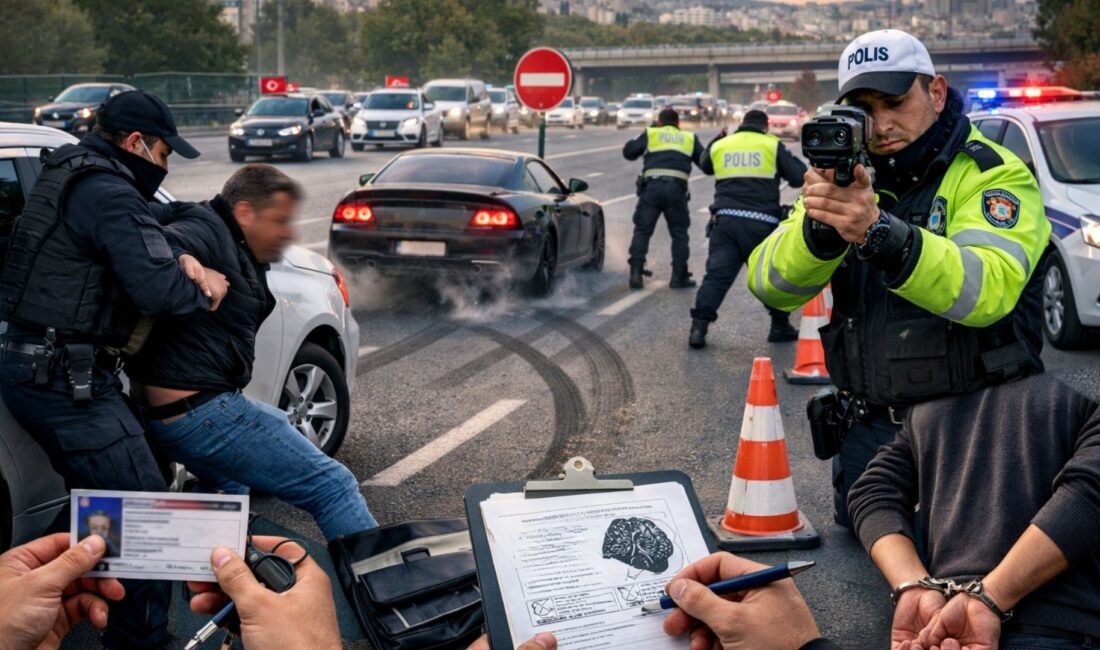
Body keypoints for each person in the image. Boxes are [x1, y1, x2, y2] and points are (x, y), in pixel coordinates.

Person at [746, 29, 1049, 530]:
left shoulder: (991, 175)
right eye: (865, 108)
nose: (882, 124)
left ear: (935, 92)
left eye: (894, 101)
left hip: (971, 435)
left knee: (964, 589)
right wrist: (820, 232)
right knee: (876, 579)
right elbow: (768, 282)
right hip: (868, 436)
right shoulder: (846, 177)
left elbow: (987, 290)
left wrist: (880, 233)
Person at [0, 89, 227, 649]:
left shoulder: (69, 169)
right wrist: (206, 284)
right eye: (164, 154)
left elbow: (149, 220)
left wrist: (181, 244)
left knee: (108, 498)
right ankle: (142, 643)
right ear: (135, 143)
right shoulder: (107, 191)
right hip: (62, 377)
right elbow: (160, 291)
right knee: (142, 513)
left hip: (46, 367)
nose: (165, 165)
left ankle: (52, 592)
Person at [125, 164, 378, 539]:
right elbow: (156, 241)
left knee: (229, 489)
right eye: (279, 221)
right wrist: (184, 259)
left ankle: (216, 589)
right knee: (333, 486)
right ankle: (382, 590)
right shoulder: (207, 230)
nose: (289, 233)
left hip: (173, 413)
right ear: (244, 212)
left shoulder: (228, 237)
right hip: (202, 413)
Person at [850, 373, 1100, 648]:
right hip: (1057, 630)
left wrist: (912, 585)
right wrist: (988, 596)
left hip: (947, 629)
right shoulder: (1083, 387)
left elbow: (874, 489)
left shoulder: (930, 399)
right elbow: (1087, 495)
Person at [688, 110, 807, 349]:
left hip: (725, 223)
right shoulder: (771, 144)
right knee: (770, 278)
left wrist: (717, 138)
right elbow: (797, 177)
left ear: (741, 124)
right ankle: (779, 326)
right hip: (761, 225)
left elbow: (705, 165)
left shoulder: (723, 144)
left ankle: (698, 328)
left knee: (717, 277)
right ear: (765, 126)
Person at [622, 107, 705, 290]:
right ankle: (678, 276)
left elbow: (628, 152)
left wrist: (645, 132)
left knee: (642, 231)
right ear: (678, 124)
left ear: (659, 122)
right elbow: (706, 165)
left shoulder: (651, 133)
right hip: (676, 190)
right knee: (679, 233)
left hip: (651, 189)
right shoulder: (689, 138)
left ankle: (636, 273)